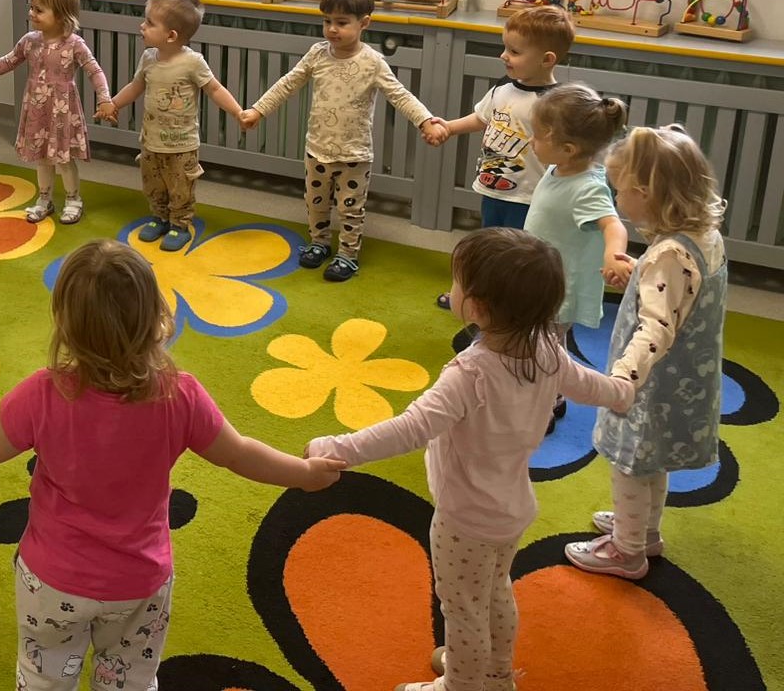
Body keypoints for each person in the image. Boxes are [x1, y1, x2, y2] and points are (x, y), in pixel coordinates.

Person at [0, 239, 344, 691]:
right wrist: (303, 474)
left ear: (64, 323)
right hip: (140, 581)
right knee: (129, 680)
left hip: (51, 580)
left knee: (44, 676)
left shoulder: (41, 395)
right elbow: (239, 453)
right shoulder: (180, 396)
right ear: (156, 316)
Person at [306, 228, 633, 691]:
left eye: (456, 282)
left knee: (462, 607)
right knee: (495, 591)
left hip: (465, 519)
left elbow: (410, 429)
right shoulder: (548, 352)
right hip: (511, 509)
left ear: (475, 307)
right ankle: (495, 675)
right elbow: (595, 387)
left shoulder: (470, 375)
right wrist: (624, 391)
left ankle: (461, 683)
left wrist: (335, 449)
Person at [564, 125, 728, 581]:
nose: (616, 199)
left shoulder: (668, 256)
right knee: (652, 459)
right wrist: (640, 274)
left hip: (650, 383)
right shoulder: (703, 237)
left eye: (619, 191)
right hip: (686, 382)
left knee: (631, 462)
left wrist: (622, 380)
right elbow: (683, 293)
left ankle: (627, 550)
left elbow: (656, 328)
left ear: (645, 194)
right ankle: (645, 531)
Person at [242, 0, 440, 282]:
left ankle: (347, 255)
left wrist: (426, 121)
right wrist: (259, 110)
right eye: (327, 21)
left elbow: (400, 96)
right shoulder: (317, 54)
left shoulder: (372, 62)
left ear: (364, 23)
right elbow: (288, 83)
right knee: (316, 204)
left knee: (350, 209)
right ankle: (319, 243)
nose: (332, 29)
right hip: (318, 149)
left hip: (354, 154)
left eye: (342, 22)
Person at [423, 5, 574, 308]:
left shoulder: (555, 104)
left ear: (547, 60)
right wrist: (449, 127)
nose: (504, 56)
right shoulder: (502, 91)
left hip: (528, 197)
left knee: (517, 254)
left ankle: (508, 303)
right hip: (493, 189)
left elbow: (568, 150)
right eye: (505, 48)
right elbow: (480, 118)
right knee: (488, 245)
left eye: (514, 52)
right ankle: (479, 293)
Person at [522, 83, 632, 431]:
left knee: (545, 349)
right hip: (539, 277)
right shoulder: (560, 168)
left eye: (538, 136)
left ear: (567, 149)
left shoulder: (587, 187)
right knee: (539, 344)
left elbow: (613, 224)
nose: (531, 141)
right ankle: (547, 393)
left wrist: (614, 254)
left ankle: (546, 405)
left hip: (559, 288)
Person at [105, 0, 252, 252]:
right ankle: (160, 217)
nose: (142, 26)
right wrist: (113, 103)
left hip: (182, 144)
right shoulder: (148, 58)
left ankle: (180, 224)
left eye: (150, 23)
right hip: (151, 140)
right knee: (153, 183)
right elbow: (135, 86)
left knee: (181, 187)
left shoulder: (192, 62)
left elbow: (215, 89)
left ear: (171, 35)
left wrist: (238, 112)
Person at [0, 0, 114, 224]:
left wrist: (105, 99)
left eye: (39, 10)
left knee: (64, 158)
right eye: (31, 8)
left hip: (63, 110)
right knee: (42, 157)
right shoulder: (30, 40)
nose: (31, 13)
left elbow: (94, 71)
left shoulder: (74, 44)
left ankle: (73, 199)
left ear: (61, 15)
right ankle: (44, 199)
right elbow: (9, 60)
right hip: (37, 108)